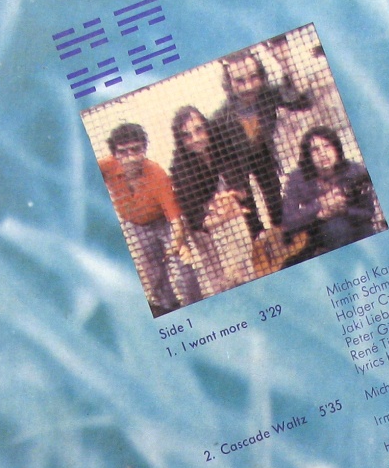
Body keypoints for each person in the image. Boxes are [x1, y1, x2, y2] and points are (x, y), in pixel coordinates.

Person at [209, 48, 312, 256]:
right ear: (229, 84)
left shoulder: (267, 95)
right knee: (249, 209)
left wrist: (286, 60)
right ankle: (262, 248)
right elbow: (216, 153)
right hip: (234, 162)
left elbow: (302, 101)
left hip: (262, 153)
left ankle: (287, 242)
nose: (248, 86)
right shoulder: (221, 116)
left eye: (253, 77)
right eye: (240, 81)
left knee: (275, 198)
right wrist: (231, 184)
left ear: (262, 76)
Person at [98, 122, 199, 316]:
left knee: (183, 269)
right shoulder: (106, 166)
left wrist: (177, 243)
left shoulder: (157, 174)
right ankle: (169, 309)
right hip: (135, 225)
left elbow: (175, 219)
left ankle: (196, 306)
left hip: (164, 222)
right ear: (114, 154)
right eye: (123, 152)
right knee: (153, 274)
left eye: (136, 150)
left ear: (144, 149)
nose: (130, 158)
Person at [169, 106, 254, 296]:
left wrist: (234, 197)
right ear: (180, 140)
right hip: (206, 228)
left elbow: (240, 185)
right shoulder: (180, 167)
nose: (195, 139)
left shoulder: (221, 146)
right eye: (187, 135)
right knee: (223, 281)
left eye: (199, 130)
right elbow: (194, 216)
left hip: (232, 214)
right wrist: (218, 215)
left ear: (206, 127)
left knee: (245, 270)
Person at [280, 127, 377, 265]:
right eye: (315, 150)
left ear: (336, 148)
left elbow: (368, 212)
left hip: (354, 224)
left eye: (327, 146)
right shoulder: (297, 177)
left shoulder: (355, 171)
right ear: (308, 155)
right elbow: (288, 220)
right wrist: (320, 205)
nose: (323, 153)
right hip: (313, 233)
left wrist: (344, 210)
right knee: (335, 228)